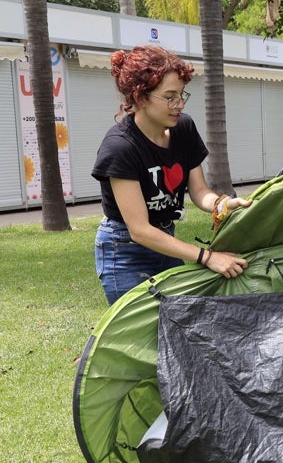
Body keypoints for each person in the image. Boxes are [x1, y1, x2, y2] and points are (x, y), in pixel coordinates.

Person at [91, 45, 251, 304]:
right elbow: (140, 230)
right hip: (124, 250)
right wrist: (208, 257)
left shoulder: (183, 128)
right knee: (138, 337)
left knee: (174, 324)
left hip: (165, 238)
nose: (179, 105)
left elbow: (199, 191)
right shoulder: (120, 147)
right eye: (169, 97)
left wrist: (221, 204)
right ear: (141, 97)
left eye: (181, 95)